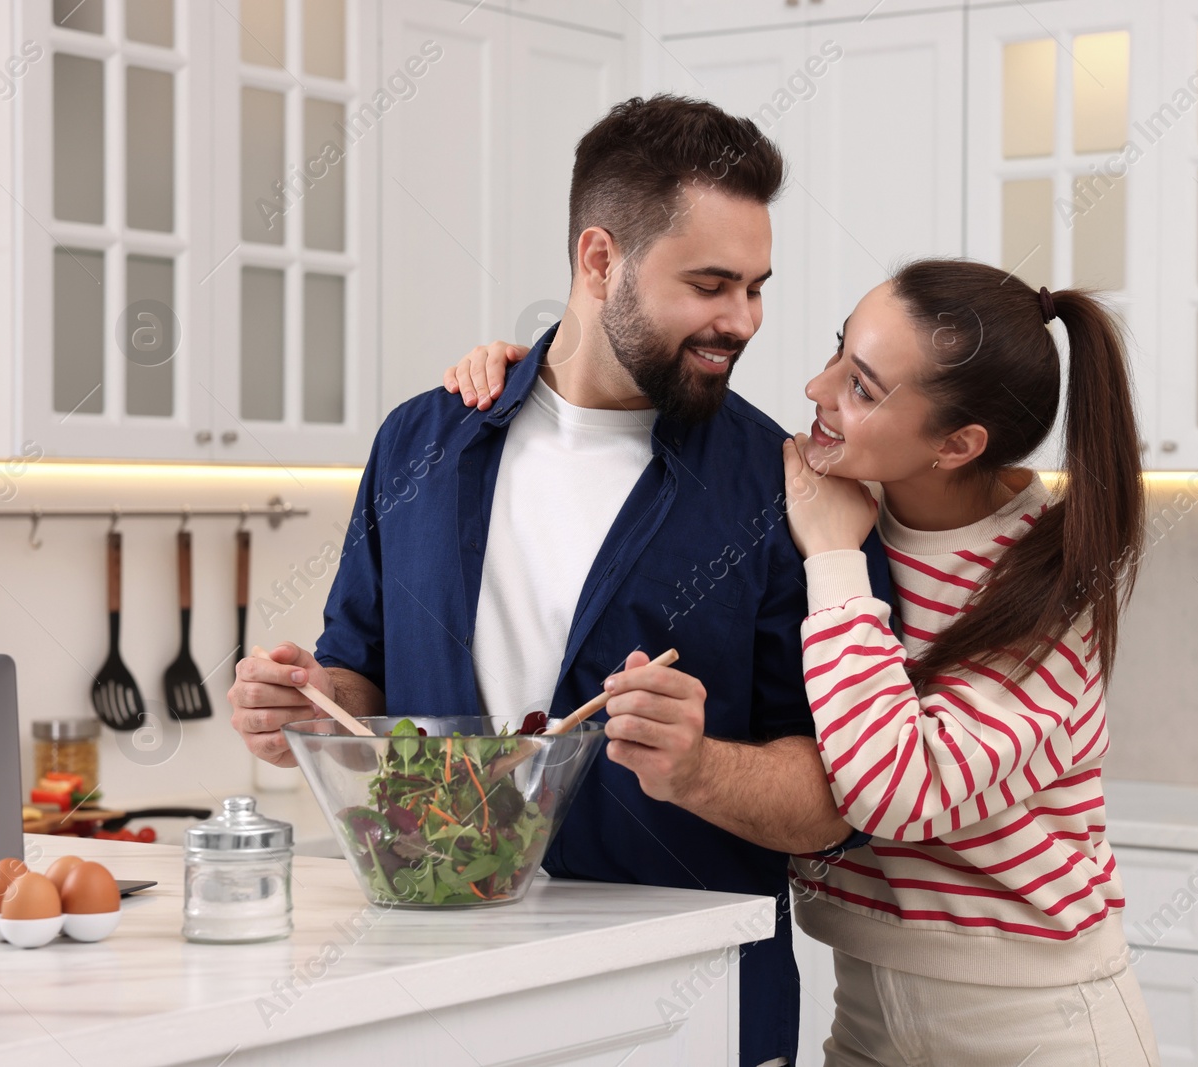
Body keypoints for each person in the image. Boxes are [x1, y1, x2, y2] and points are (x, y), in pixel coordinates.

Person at [228, 94, 890, 1067]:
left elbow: (843, 794)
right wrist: (307, 714)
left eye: (755, 287)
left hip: (679, 1005)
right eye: (710, 283)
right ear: (598, 260)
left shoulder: (789, 489)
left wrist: (701, 764)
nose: (740, 320)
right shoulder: (424, 440)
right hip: (435, 980)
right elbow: (358, 683)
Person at [448, 261, 1159, 1065]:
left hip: (1037, 1024)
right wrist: (542, 387)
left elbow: (891, 790)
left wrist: (831, 556)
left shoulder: (1046, 584)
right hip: (865, 1011)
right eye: (837, 352)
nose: (817, 388)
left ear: (957, 444)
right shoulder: (843, 492)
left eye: (861, 387)